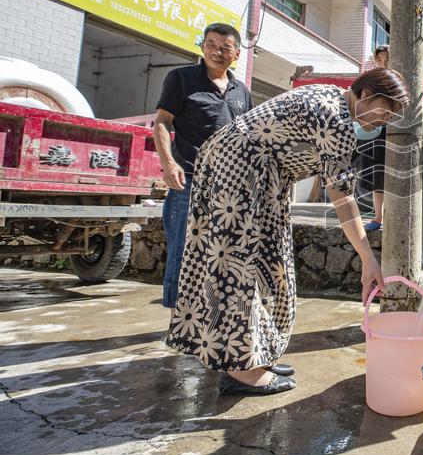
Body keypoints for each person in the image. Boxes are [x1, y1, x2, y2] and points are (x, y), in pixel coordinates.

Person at [165, 69, 409, 396]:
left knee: (271, 264)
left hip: (246, 170)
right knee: (242, 265)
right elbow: (343, 199)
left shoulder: (332, 96)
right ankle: (241, 371)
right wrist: (368, 259)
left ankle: (255, 354)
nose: (384, 121)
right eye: (385, 111)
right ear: (365, 95)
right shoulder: (337, 122)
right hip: (241, 174)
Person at [153, 23, 253, 310]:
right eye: (211, 44)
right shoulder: (181, 78)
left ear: (236, 54)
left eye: (225, 47)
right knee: (182, 251)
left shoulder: (241, 92)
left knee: (221, 253)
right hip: (190, 182)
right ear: (202, 46)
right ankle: (177, 319)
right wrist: (168, 163)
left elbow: (249, 137)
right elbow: (162, 121)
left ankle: (206, 316)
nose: (217, 51)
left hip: (229, 187)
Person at [357, 45, 389, 230]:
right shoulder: (369, 82)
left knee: (394, 176)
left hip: (394, 131)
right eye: (379, 60)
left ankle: (391, 216)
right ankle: (378, 218)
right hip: (374, 131)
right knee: (376, 175)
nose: (383, 64)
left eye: (386, 60)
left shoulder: (398, 79)